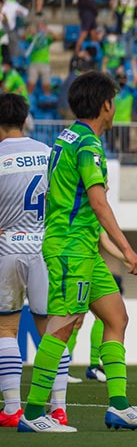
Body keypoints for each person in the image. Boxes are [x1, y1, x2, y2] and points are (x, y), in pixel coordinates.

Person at [18, 72, 137, 433]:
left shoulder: (67, 137)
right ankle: (32, 414)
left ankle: (119, 406)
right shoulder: (88, 145)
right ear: (106, 105)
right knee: (62, 326)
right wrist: (128, 250)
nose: (115, 109)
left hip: (82, 248)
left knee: (116, 317)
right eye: (114, 102)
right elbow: (98, 203)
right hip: (71, 249)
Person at [0, 94, 72, 429]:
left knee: (6, 329)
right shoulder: (47, 153)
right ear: (25, 119)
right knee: (52, 331)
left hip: (8, 247)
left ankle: (12, 409)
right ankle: (59, 409)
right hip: (44, 247)